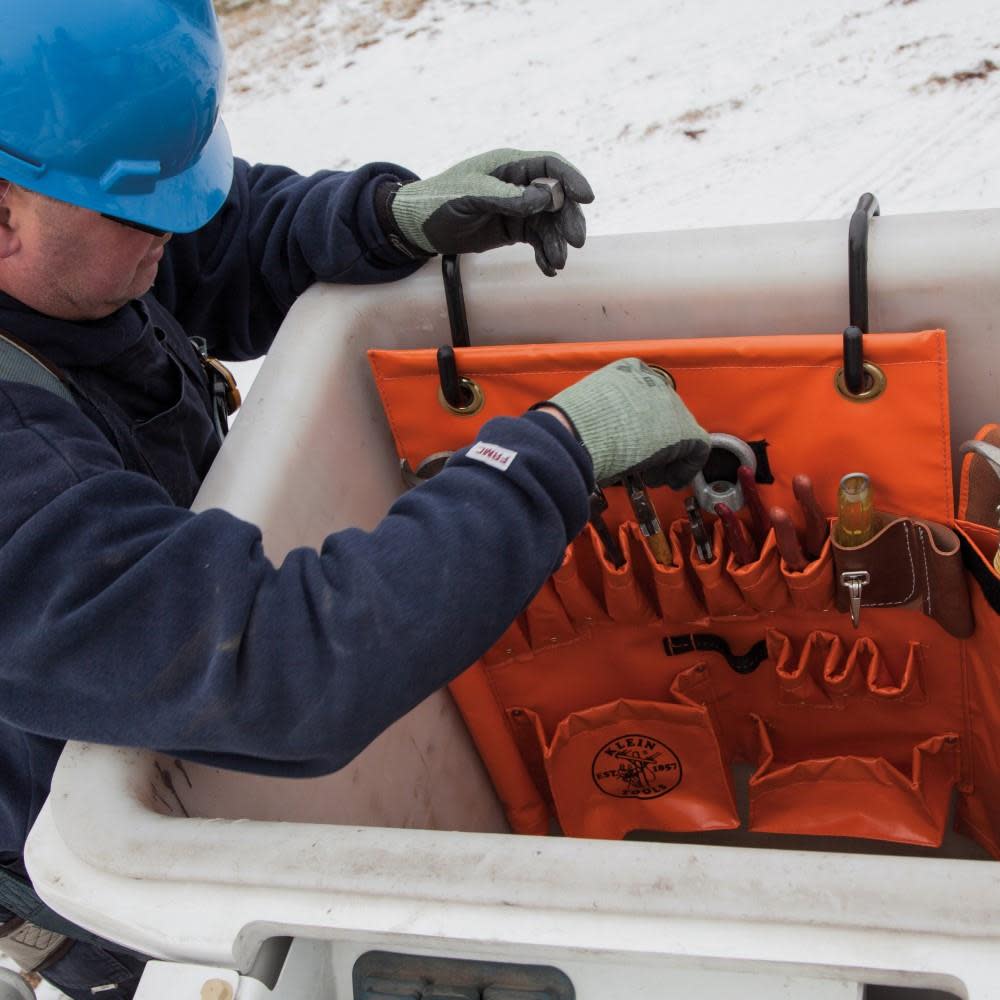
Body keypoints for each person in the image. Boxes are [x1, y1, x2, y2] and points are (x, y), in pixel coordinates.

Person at [0, 2, 711, 997]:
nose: (177, 223)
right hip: (107, 884)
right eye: (142, 209)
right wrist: (552, 454)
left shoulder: (75, 230)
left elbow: (217, 234)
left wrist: (387, 217)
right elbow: (278, 665)